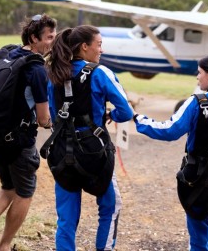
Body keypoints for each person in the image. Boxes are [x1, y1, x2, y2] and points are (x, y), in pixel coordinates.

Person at [135, 54, 208, 251]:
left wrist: (138, 119)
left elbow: (169, 130)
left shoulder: (196, 102)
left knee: (197, 243)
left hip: (196, 182)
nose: (197, 77)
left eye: (199, 72)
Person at [45, 25, 134, 251]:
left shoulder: (54, 74)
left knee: (65, 219)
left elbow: (53, 115)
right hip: (95, 156)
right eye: (99, 45)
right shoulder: (99, 73)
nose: (101, 50)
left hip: (61, 154)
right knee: (110, 207)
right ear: (85, 47)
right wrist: (109, 115)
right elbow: (126, 112)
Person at [0, 13, 57, 251]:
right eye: (49, 37)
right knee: (25, 190)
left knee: (8, 186)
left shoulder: (8, 54)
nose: (52, 42)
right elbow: (42, 119)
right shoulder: (36, 69)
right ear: (34, 37)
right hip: (19, 143)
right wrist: (54, 123)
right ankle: (4, 246)